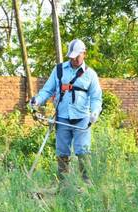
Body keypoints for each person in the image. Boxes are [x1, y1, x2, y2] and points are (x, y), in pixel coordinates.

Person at [30, 39, 102, 185]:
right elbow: (47, 90)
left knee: (83, 152)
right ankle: (64, 185)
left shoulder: (91, 75)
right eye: (72, 56)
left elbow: (96, 97)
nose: (74, 59)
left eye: (77, 56)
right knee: (62, 152)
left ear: (84, 54)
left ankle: (86, 185)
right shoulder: (59, 70)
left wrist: (95, 112)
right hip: (62, 118)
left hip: (82, 119)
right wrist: (37, 100)